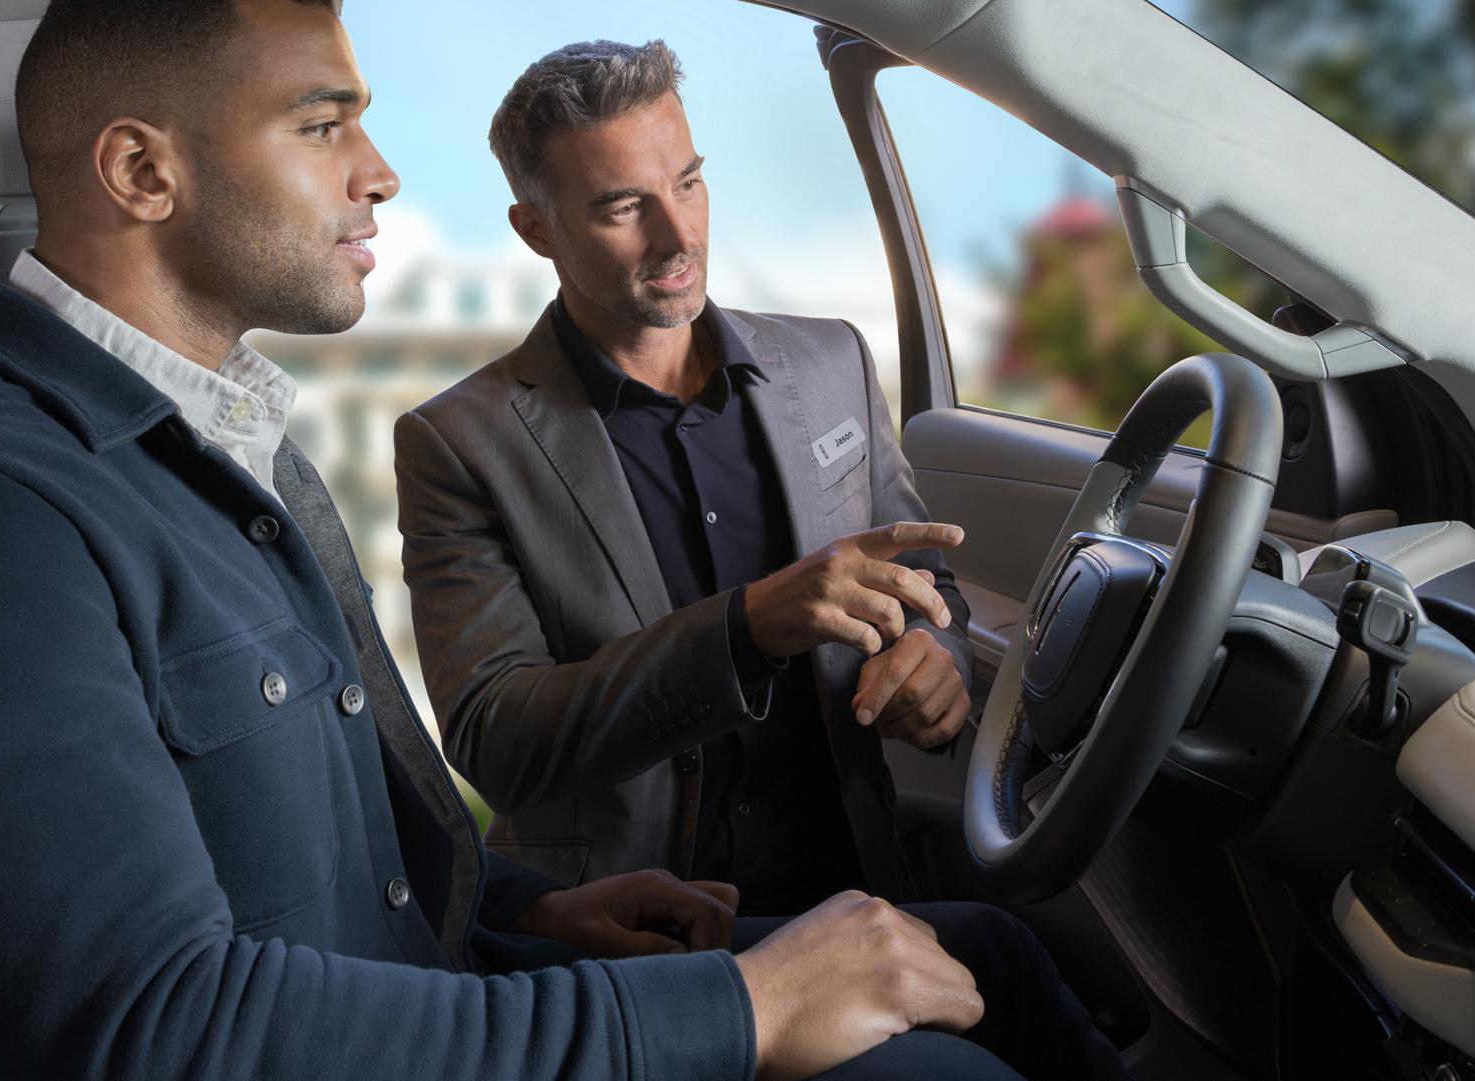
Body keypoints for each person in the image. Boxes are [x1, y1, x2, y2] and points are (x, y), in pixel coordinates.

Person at [0, 2, 1026, 1079]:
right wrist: (739, 1012)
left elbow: (345, 867)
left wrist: (526, 909)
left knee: (989, 954)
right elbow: (145, 1031)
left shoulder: (227, 451)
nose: (381, 172)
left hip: (450, 982)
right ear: (141, 173)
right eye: (323, 123)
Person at [394, 39, 1130, 1081]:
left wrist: (935, 656)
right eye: (624, 207)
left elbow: (928, 583)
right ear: (536, 229)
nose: (678, 234)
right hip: (653, 945)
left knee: (1014, 961)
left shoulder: (829, 361)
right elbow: (495, 737)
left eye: (689, 182)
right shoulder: (458, 442)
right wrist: (743, 629)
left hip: (853, 879)